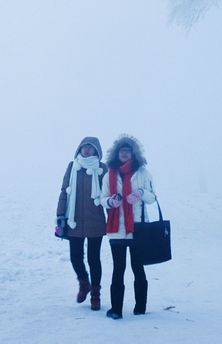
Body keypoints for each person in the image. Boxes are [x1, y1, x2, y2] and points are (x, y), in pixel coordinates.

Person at [101, 134, 157, 319]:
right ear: (116, 153)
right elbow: (103, 199)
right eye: (121, 151)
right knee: (118, 269)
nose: (124, 154)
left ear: (133, 153)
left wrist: (140, 193)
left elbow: (152, 197)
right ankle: (116, 309)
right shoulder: (110, 173)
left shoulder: (142, 172)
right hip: (116, 230)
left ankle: (140, 307)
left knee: (138, 268)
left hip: (138, 228)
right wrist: (111, 201)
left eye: (127, 151)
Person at [55, 136, 106, 311]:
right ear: (79, 149)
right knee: (75, 257)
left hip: (96, 221)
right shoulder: (72, 166)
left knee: (94, 259)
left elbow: (108, 192)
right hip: (73, 219)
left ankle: (95, 295)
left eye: (90, 148)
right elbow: (64, 191)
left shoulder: (102, 169)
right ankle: (84, 283)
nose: (86, 150)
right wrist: (60, 215)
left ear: (96, 151)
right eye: (84, 147)